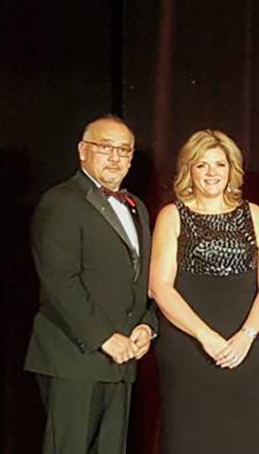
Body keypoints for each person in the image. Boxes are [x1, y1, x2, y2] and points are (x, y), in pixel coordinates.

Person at [24, 115, 157, 454]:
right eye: (105, 148)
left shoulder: (136, 207)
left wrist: (147, 325)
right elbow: (59, 281)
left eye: (124, 150)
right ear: (83, 151)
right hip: (73, 359)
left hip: (122, 363)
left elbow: (142, 280)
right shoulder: (61, 202)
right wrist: (103, 337)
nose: (116, 158)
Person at [149, 129, 259, 453]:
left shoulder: (253, 214)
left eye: (219, 165)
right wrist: (205, 336)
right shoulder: (172, 215)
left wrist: (247, 335)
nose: (212, 173)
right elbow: (159, 287)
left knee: (243, 438)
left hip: (245, 348)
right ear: (188, 170)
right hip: (189, 347)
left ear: (231, 170)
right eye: (202, 165)